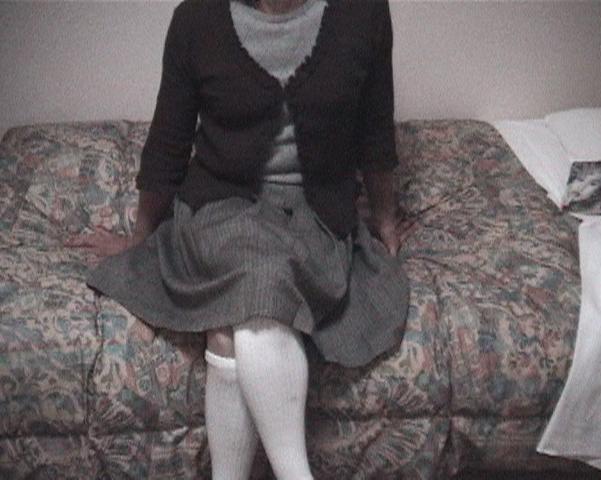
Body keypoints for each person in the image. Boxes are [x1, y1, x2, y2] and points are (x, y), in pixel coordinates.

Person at [69, 0, 409, 478]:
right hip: (220, 205)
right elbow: (168, 142)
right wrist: (142, 237)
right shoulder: (196, 20)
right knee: (261, 274)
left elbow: (376, 131)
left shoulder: (364, 13)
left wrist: (386, 220)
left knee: (227, 333)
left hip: (317, 211)